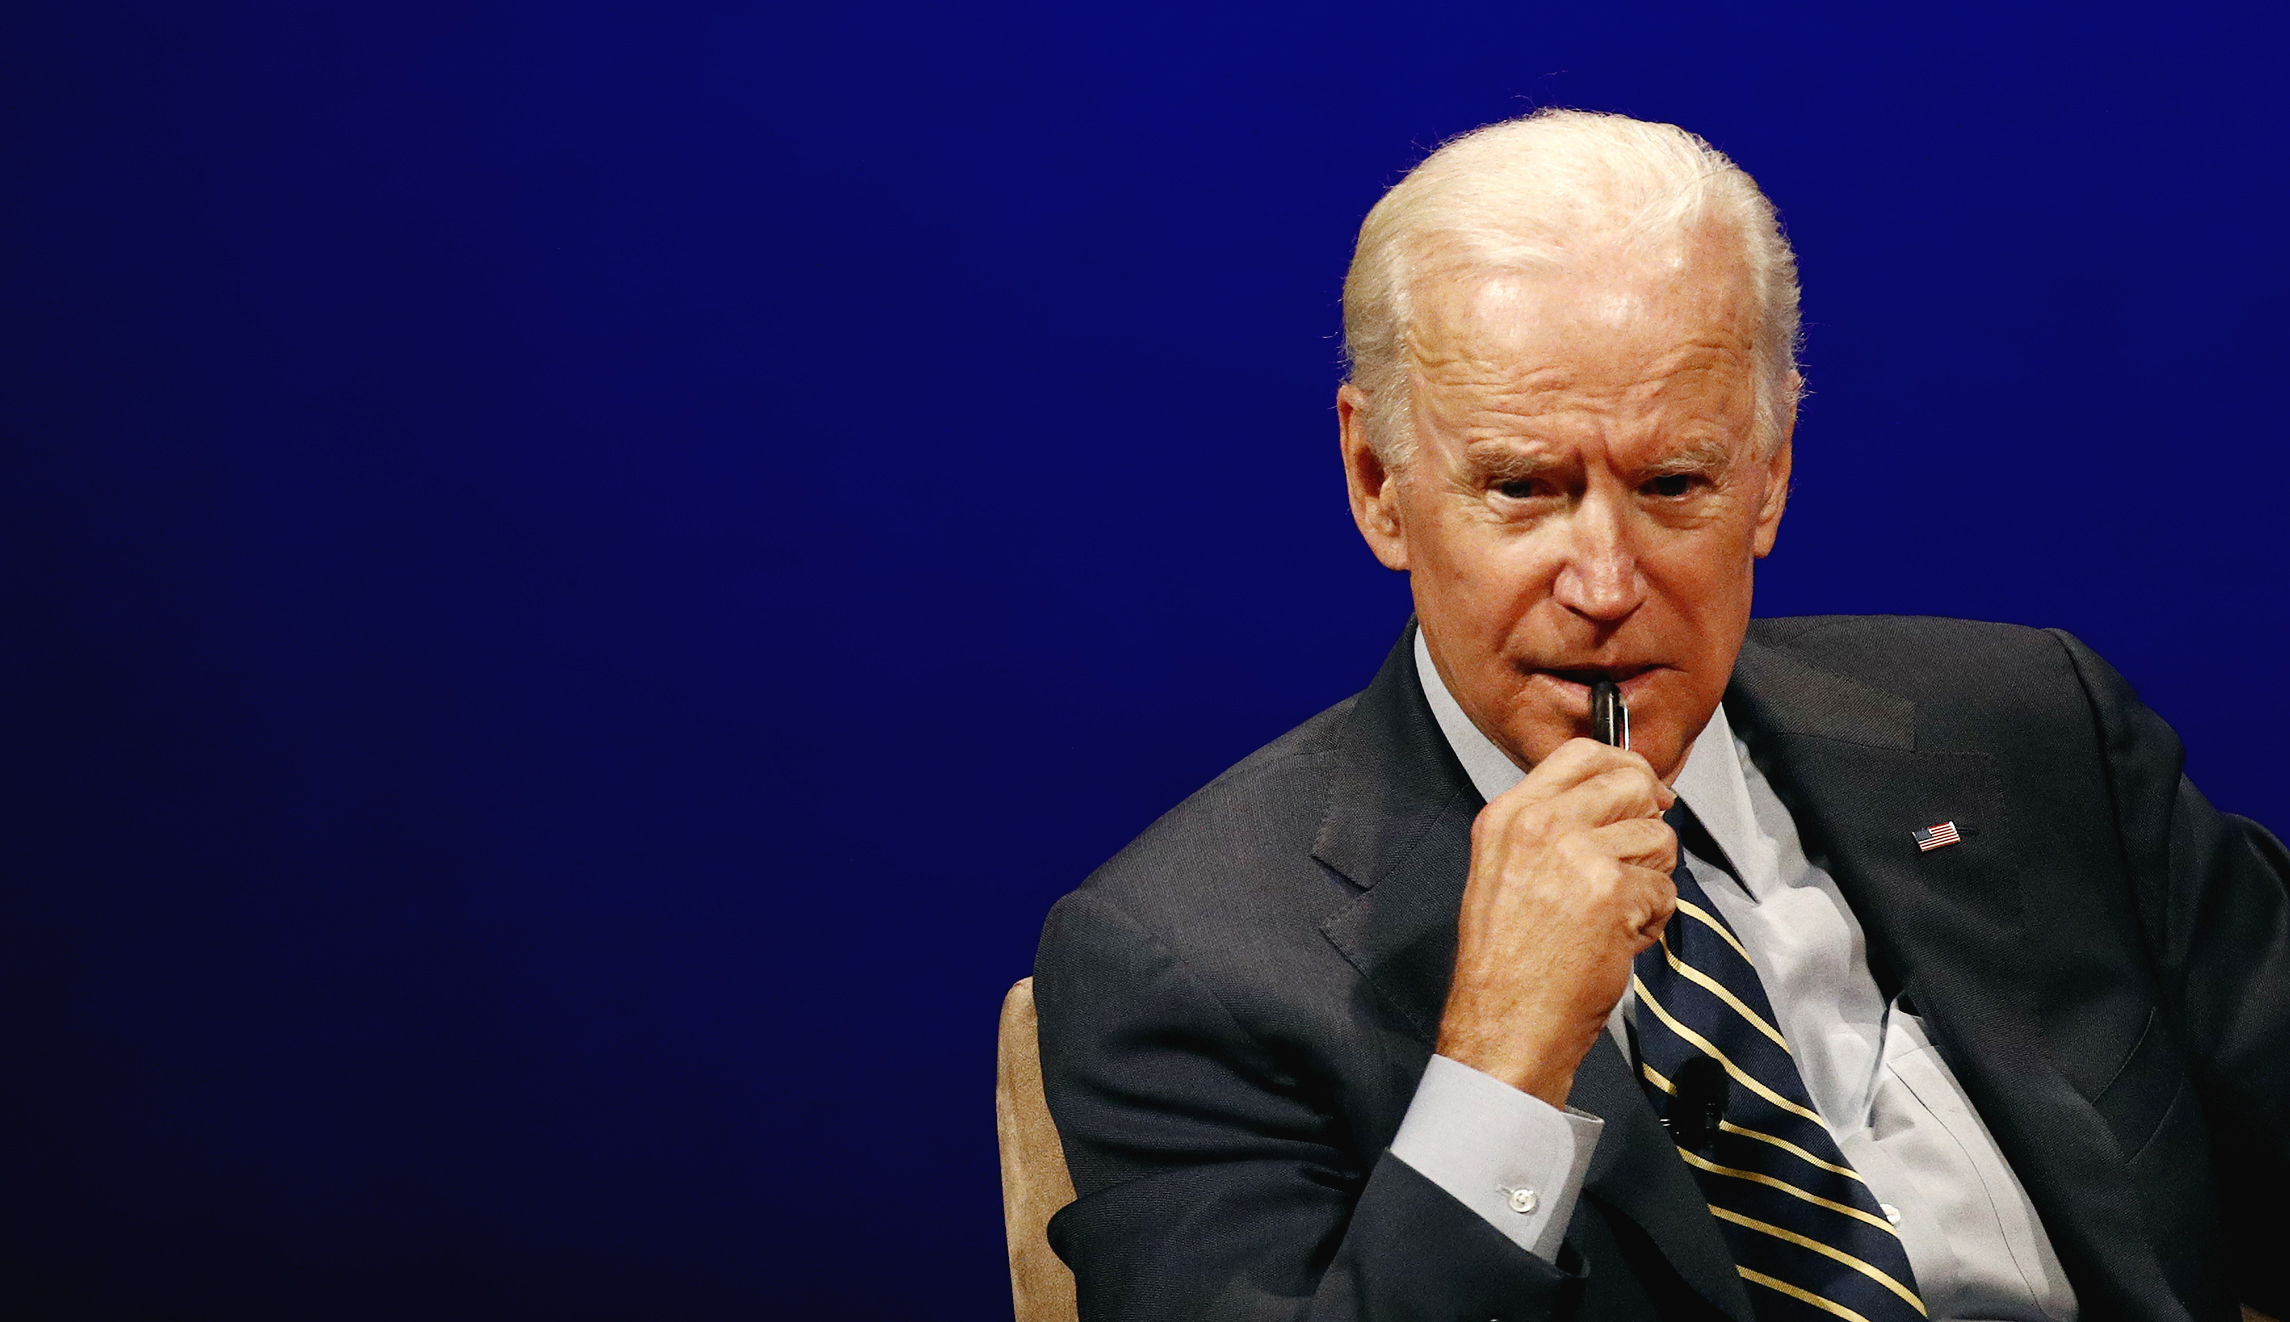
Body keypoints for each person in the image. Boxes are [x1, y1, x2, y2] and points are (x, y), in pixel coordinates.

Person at [1031, 109, 2290, 1322]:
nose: (1604, 583)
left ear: (1769, 474)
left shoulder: (2038, 733)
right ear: (1378, 483)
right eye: (1522, 487)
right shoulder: (1187, 958)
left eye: (1674, 481)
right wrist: (1499, 1065)